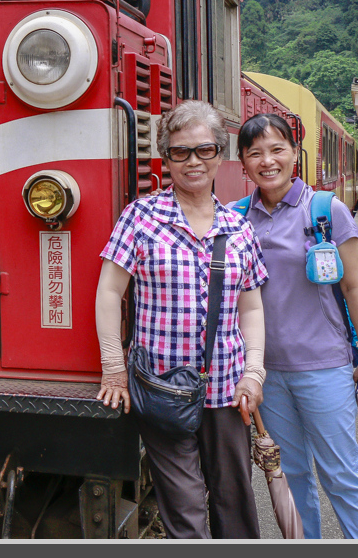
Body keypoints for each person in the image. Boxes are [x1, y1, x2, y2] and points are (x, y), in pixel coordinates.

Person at [95, 100, 267, 539]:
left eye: (204, 150)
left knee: (234, 499)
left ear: (220, 155)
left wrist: (254, 372)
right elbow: (110, 292)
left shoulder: (239, 228)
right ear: (166, 159)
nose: (193, 162)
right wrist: (114, 368)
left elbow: (250, 308)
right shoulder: (141, 217)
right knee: (185, 510)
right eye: (180, 152)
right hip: (162, 390)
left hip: (228, 389)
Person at [234, 113, 358, 539]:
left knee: (343, 477)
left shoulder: (325, 210)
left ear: (294, 154)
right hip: (266, 372)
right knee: (292, 475)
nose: (267, 161)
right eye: (255, 153)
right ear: (242, 162)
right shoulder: (235, 217)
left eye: (277, 149)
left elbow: (353, 287)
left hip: (324, 366)